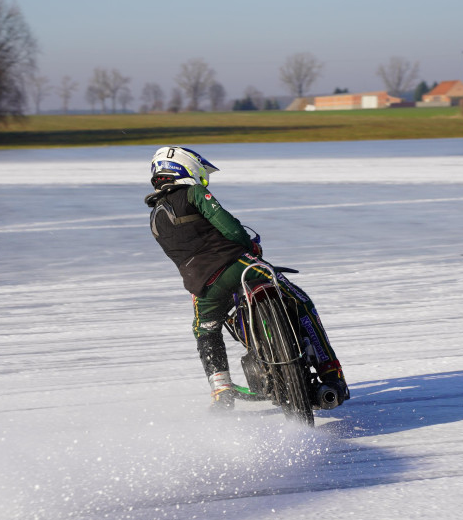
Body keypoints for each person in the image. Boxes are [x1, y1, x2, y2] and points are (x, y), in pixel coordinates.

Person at [144, 146, 349, 410]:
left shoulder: (154, 219)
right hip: (237, 265)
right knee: (300, 300)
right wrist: (250, 246)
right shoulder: (194, 193)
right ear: (186, 167)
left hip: (201, 287)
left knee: (205, 329)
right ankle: (331, 372)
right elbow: (229, 226)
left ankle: (221, 389)